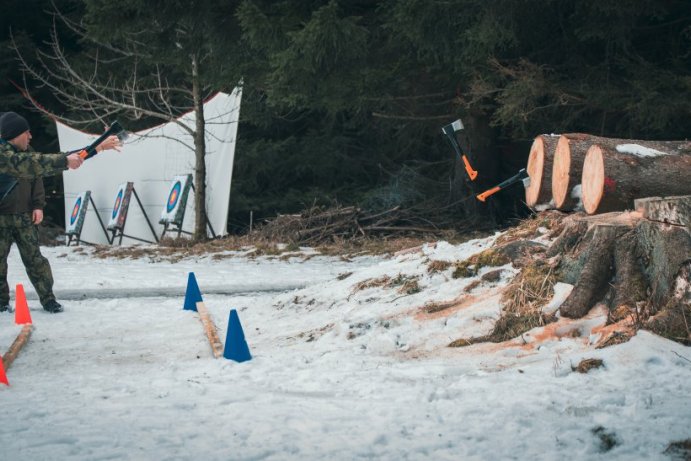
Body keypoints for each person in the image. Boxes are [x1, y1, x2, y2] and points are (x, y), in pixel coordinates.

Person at [0, 111, 121, 313]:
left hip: (23, 216)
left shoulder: (25, 152)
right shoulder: (4, 155)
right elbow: (34, 164)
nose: (30, 137)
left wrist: (98, 147)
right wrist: (65, 161)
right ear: (14, 134)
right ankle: (1, 302)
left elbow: (40, 170)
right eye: (26, 133)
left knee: (35, 260)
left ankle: (48, 299)